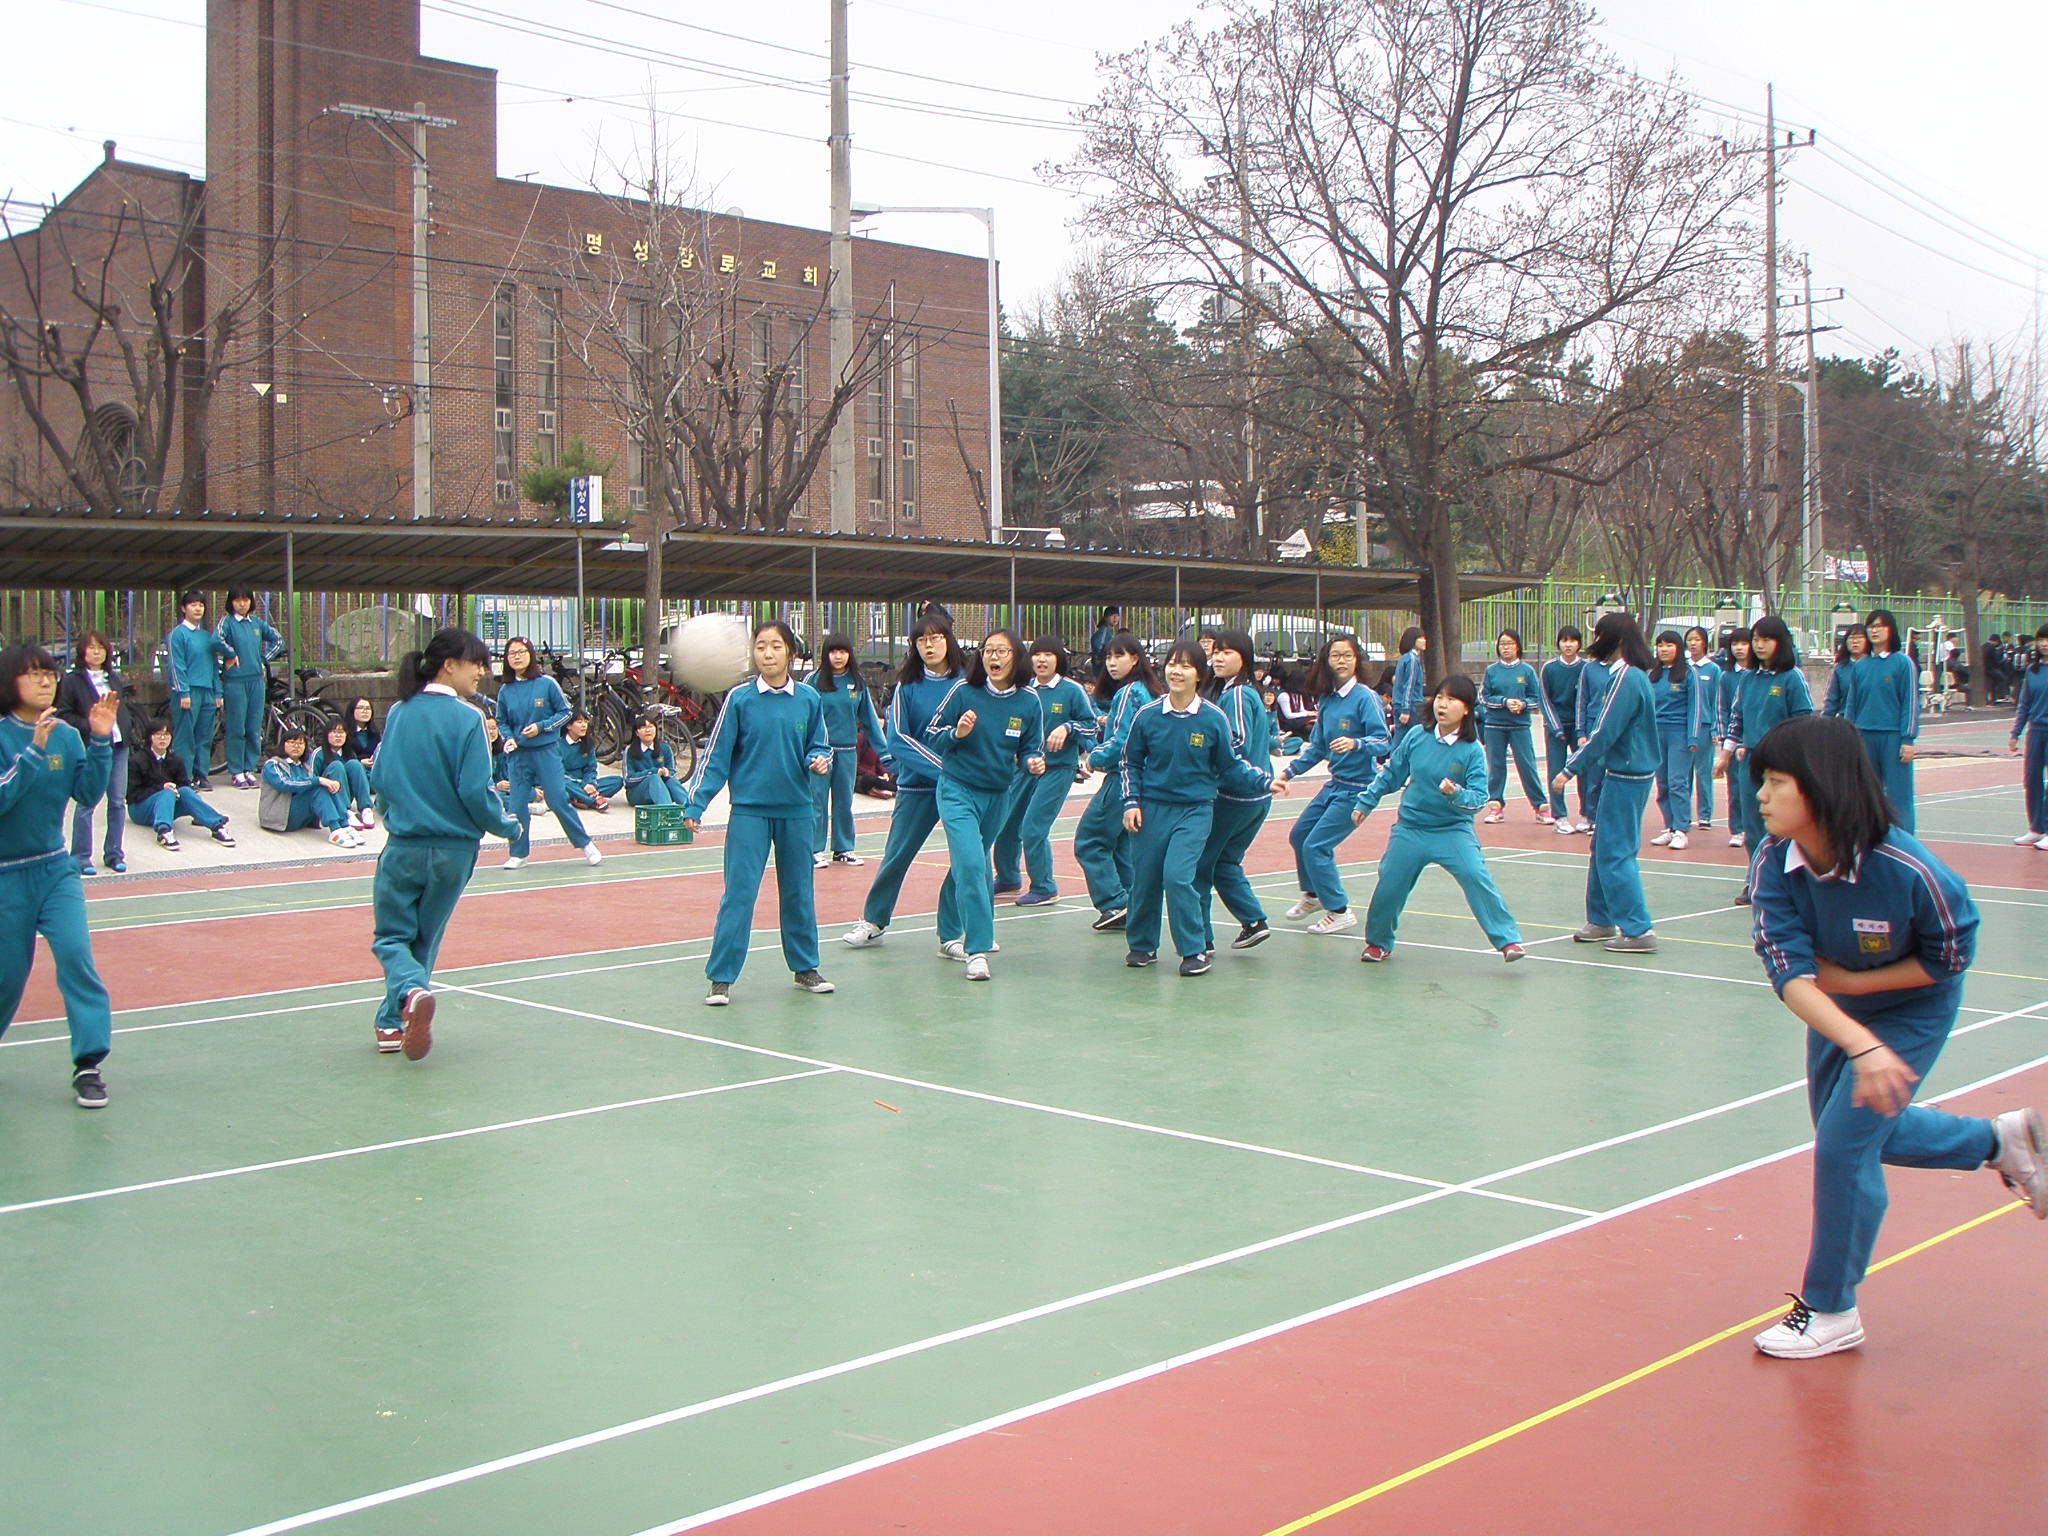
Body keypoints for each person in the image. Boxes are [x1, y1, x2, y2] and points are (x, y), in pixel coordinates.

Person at [1746, 714, 2045, 1358]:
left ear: (1821, 787)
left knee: (1842, 1149)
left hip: (1913, 1006)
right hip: (1837, 1010)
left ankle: (1831, 1307)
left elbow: (1949, 958)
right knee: (1850, 1134)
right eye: (1760, 782)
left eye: (1774, 781)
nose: (1760, 796)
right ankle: (1998, 1141)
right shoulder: (1775, 860)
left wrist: (1860, 995)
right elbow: (1791, 976)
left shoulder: (1913, 871)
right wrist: (1855, 1032)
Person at [366, 627, 522, 1058]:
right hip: (454, 852)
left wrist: (391, 815)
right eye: (477, 663)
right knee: (424, 939)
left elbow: (379, 778)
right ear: (449, 665)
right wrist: (507, 826)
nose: (483, 673)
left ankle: (408, 999)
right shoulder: (469, 717)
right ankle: (391, 1019)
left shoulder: (399, 712)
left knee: (391, 938)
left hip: (405, 845)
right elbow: (476, 790)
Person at [681, 619, 835, 1005]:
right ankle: (721, 977)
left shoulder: (809, 699)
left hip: (798, 812)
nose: (767, 653)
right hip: (749, 812)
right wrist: (696, 803)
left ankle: (805, 968)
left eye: (776, 646)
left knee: (799, 893)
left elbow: (820, 744)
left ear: (790, 653)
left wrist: (818, 758)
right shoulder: (739, 699)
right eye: (761, 646)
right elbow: (716, 756)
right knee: (739, 894)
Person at [0, 644, 121, 1107]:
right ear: (10, 681)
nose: (44, 680)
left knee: (76, 957)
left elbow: (87, 795)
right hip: (7, 876)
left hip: (55, 870)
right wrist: (32, 752)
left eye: (49, 673)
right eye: (32, 674)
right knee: (8, 977)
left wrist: (98, 740)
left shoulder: (68, 735)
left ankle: (88, 1063)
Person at [1119, 642, 1271, 974]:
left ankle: (1193, 949)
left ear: (1198, 675)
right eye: (1172, 664)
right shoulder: (1147, 716)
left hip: (1195, 811)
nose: (1176, 671)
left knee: (1177, 877)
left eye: (1186, 666)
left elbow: (1231, 766)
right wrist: (1131, 803)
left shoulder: (1213, 718)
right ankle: (1143, 945)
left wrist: (1263, 781)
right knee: (1144, 880)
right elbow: (1131, 762)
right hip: (1151, 810)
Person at [1352, 674, 1524, 964]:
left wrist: (1455, 793)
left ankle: (1508, 940)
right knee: (1390, 883)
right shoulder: (1417, 736)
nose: (1442, 705)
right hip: (1411, 828)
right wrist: (1366, 802)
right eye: (1440, 697)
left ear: (1467, 708)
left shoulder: (1472, 751)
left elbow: (1479, 797)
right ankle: (1378, 943)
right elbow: (1392, 774)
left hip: (1452, 830)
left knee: (1476, 876)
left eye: (1451, 699)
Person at [923, 630, 1046, 979]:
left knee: (967, 864)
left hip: (998, 795)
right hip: (957, 790)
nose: (994, 657)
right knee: (975, 866)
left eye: (1002, 651)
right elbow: (932, 732)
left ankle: (948, 936)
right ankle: (977, 949)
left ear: (1015, 657)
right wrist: (956, 734)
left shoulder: (1028, 701)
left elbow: (1030, 748)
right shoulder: (963, 692)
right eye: (988, 650)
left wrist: (1033, 762)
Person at [842, 617, 969, 949]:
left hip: (964, 788)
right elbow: (897, 738)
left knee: (969, 858)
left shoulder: (969, 684)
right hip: (918, 787)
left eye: (936, 638)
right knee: (897, 855)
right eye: (922, 640)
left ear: (949, 641)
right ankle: (874, 920)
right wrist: (944, 769)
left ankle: (956, 933)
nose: (929, 645)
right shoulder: (906, 688)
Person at [1554, 611, 1659, 953]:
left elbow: (1605, 731)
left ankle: (1637, 928)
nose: (1593, 642)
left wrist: (1570, 768)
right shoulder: (1628, 676)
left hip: (1628, 775)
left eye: (1598, 635)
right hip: (1623, 773)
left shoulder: (1627, 678)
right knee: (1602, 847)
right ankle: (1601, 919)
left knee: (1616, 852)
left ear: (1613, 639)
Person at [1272, 635, 1390, 936]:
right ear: (1326, 661)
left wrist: (1356, 743)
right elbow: (1318, 746)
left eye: (1347, 655)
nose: (1341, 660)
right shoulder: (1327, 699)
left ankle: (1339, 910)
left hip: (1358, 788)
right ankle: (1313, 895)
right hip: (1335, 784)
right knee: (1299, 835)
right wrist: (1289, 771)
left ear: (1357, 661)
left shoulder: (1365, 697)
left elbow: (1383, 741)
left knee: (1317, 845)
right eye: (1335, 655)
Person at [993, 637, 1097, 906]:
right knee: (1004, 823)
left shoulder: (1072, 691)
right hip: (1024, 768)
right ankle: (1007, 878)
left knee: (1033, 828)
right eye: (1036, 654)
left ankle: (1044, 886)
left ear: (1058, 659)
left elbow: (1090, 725)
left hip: (1057, 769)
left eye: (1048, 654)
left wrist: (1067, 728)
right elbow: (1011, 723)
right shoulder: (1023, 689)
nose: (1041, 660)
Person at [1072, 633, 1163, 933]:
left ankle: (1113, 902)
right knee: (1121, 846)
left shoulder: (1128, 694)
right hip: (1149, 781)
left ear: (1135, 659)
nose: (1111, 663)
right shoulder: (1151, 693)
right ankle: (1134, 905)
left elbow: (1121, 743)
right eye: (1109, 657)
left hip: (1122, 778)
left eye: (1119, 656)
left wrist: (1093, 758)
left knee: (1091, 840)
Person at [1193, 628, 1277, 953]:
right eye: (1216, 652)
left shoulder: (1237, 694)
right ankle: (1253, 921)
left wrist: (1200, 759)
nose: (1218, 657)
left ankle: (1200, 939)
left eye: (1227, 652)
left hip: (1234, 796)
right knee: (1225, 862)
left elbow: (1236, 741)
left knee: (1200, 864)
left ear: (1243, 657)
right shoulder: (1242, 692)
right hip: (1256, 797)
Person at [1720, 615, 1814, 901]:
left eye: (1766, 640)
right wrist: (1725, 754)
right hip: (1749, 761)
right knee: (1752, 822)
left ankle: (1786, 880)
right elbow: (1737, 719)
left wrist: (1792, 756)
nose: (1758, 646)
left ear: (1780, 642)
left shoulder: (1791, 678)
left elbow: (1803, 720)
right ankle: (1757, 876)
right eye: (1756, 640)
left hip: (1780, 763)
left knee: (1781, 822)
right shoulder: (1748, 678)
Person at [495, 637, 600, 870]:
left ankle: (585, 843)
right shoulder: (505, 690)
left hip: (545, 751)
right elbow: (501, 720)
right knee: (517, 804)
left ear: (531, 655)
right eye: (511, 653)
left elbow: (565, 713)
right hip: (519, 755)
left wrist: (541, 727)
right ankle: (518, 853)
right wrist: (509, 738)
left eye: (522, 652)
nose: (517, 656)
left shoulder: (547, 683)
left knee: (557, 798)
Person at [56, 631, 136, 874]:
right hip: (91, 746)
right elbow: (63, 713)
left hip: (119, 745)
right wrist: (90, 725)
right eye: (91, 648)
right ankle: (81, 856)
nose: (96, 652)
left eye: (101, 647)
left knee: (117, 801)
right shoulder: (72, 681)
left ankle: (114, 853)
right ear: (82, 652)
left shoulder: (112, 677)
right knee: (87, 802)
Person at [807, 634, 886, 868]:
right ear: (826, 654)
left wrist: (886, 753)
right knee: (817, 801)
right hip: (821, 753)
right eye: (833, 652)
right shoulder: (814, 681)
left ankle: (843, 848)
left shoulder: (857, 682)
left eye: (843, 651)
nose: (838, 656)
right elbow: (804, 717)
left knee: (844, 801)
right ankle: (812, 849)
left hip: (848, 751)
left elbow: (870, 720)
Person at [1853, 608, 1920, 832]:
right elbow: (1852, 704)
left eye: (1879, 626)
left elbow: (1910, 703)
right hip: (1864, 735)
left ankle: (1904, 839)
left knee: (1898, 793)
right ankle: (1869, 835)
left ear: (1890, 630)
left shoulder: (1903, 663)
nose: (1874, 631)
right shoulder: (1860, 666)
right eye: (1871, 626)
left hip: (1892, 736)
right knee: (1866, 792)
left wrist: (1908, 739)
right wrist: (1850, 736)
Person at [166, 589, 236, 788]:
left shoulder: (207, 636)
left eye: (201, 605)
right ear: (183, 608)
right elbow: (176, 666)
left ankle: (201, 774)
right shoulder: (177, 635)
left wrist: (217, 691)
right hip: (188, 692)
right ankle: (183, 776)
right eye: (193, 605)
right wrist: (183, 692)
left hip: (207, 691)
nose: (198, 609)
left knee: (204, 737)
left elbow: (214, 664)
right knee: (185, 737)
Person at [128, 719, 235, 849]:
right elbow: (132, 795)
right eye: (158, 734)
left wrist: (176, 791)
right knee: (167, 793)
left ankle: (217, 826)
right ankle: (164, 832)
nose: (162, 738)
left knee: (185, 791)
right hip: (141, 808)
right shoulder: (137, 760)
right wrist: (161, 789)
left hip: (167, 806)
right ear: (150, 737)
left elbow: (183, 784)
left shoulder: (175, 759)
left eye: (166, 735)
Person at [216, 587, 284, 788]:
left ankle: (249, 767)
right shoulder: (227, 623)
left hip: (256, 681)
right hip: (235, 681)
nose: (242, 604)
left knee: (254, 727)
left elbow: (278, 640)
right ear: (231, 603)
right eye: (237, 600)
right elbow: (216, 640)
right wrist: (230, 654)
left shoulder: (256, 623)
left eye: (245, 600)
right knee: (236, 726)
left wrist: (263, 660)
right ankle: (236, 770)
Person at [1479, 629, 1546, 825]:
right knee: (1496, 766)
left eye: (1509, 644)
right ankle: (1495, 805)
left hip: (1520, 726)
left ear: (1517, 646)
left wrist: (1522, 704)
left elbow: (1537, 699)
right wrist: (1505, 702)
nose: (1505, 648)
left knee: (1527, 765)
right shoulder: (1491, 671)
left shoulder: (1527, 671)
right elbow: (1483, 697)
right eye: (1502, 644)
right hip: (1494, 726)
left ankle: (1540, 806)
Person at [1647, 630, 1704, 851]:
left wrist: (1693, 736)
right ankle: (1669, 827)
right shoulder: (1653, 675)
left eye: (1669, 645)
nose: (1664, 649)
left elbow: (1696, 706)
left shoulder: (1689, 674)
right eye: (1660, 645)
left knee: (1677, 781)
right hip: (1656, 733)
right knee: (1661, 783)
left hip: (1679, 733)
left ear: (1678, 648)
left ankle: (1682, 829)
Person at [261, 725, 359, 847]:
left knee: (325, 786)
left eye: (300, 744)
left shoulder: (305, 766)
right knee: (318, 787)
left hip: (301, 815)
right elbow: (285, 784)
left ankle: (344, 824)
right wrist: (318, 780)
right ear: (283, 744)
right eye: (292, 742)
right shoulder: (273, 764)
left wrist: (324, 782)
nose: (296, 746)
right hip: (280, 817)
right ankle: (335, 829)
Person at [1538, 626, 1588, 835]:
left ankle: (1587, 814)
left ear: (1579, 644)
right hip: (1555, 727)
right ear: (1558, 643)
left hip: (1579, 729)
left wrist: (1581, 729)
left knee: (1583, 769)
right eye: (1564, 640)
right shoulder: (1549, 668)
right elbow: (1544, 699)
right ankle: (1560, 816)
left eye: (1572, 640)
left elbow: (1585, 700)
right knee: (1556, 770)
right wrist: (1556, 727)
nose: (1568, 645)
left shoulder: (1586, 668)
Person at [1715, 627, 1756, 848]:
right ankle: (1738, 828)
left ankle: (1755, 828)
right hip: (1733, 741)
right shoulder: (1727, 676)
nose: (1739, 648)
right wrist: (1725, 741)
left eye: (1744, 643)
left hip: (1754, 739)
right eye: (1735, 644)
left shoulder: (1757, 675)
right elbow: (1722, 709)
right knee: (1736, 788)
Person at [2008, 623, 2048, 850]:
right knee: (2031, 779)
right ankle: (2036, 828)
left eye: (2047, 639)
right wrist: (2015, 733)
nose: (2044, 643)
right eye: (2041, 639)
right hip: (2036, 731)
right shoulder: (2032, 671)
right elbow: (2024, 705)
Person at [1683, 626, 1721, 830]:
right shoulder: (1684, 668)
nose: (1693, 643)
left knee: (1703, 773)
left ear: (1704, 642)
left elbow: (1717, 701)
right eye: (1689, 639)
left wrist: (1716, 728)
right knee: (1683, 774)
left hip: (1705, 727)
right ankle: (1683, 816)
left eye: (1696, 639)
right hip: (1684, 727)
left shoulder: (1713, 670)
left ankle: (1704, 815)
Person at [313, 717, 377, 830]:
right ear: (326, 735)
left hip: (347, 795)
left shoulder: (349, 753)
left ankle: (365, 809)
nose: (338, 736)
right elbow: (313, 780)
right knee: (336, 766)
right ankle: (345, 812)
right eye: (334, 732)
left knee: (355, 764)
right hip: (329, 797)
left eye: (341, 732)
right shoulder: (318, 754)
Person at [558, 712, 621, 812]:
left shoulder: (588, 744)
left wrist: (590, 783)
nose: (584, 725)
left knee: (617, 781)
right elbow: (559, 773)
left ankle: (579, 798)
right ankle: (594, 800)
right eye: (579, 722)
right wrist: (583, 785)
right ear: (568, 726)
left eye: (585, 722)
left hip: (584, 783)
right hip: (568, 782)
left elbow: (591, 768)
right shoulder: (558, 745)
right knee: (562, 784)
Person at [622, 715, 684, 806]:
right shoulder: (630, 750)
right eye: (643, 727)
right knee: (653, 778)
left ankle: (690, 809)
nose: (648, 730)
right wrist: (652, 772)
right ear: (636, 732)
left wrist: (667, 773)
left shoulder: (665, 747)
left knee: (672, 782)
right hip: (638, 793)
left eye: (651, 726)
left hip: (661, 789)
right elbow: (628, 779)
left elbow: (672, 772)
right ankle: (666, 812)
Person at [1821, 623, 1869, 718]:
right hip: (1846, 722)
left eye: (1860, 637)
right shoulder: (1840, 669)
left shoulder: (1874, 666)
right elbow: (1831, 700)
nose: (1855, 641)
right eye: (1851, 638)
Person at [1388, 626, 1427, 743]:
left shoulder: (1404, 658)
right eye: (1420, 637)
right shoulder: (1413, 659)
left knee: (1400, 739)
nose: (1424, 640)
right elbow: (1409, 685)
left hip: (1399, 704)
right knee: (1409, 740)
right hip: (1410, 705)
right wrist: (1406, 709)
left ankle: (1392, 760)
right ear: (1412, 640)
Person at [343, 697, 381, 765]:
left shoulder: (375, 733)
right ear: (352, 711)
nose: (365, 711)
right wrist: (360, 762)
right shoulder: (344, 732)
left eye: (368, 708)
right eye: (361, 708)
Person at [1089, 606, 1124, 677]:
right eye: (1112, 615)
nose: (1115, 618)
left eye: (1117, 616)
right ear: (1105, 618)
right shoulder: (1104, 631)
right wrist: (1099, 658)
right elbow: (1098, 646)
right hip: (1101, 669)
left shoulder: (1108, 631)